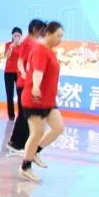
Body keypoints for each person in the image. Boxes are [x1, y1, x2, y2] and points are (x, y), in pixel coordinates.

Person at [19, 22, 66, 183]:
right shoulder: (39, 50)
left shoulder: (51, 52)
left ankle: (35, 152)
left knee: (58, 127)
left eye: (62, 36)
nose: (60, 39)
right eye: (58, 36)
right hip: (35, 100)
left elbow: (50, 74)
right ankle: (25, 167)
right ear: (49, 34)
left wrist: (56, 89)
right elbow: (37, 71)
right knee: (37, 132)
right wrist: (36, 86)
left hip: (48, 99)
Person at [8, 19, 47, 154]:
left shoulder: (35, 43)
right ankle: (15, 142)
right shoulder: (27, 43)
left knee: (27, 115)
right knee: (24, 114)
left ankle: (23, 143)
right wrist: (25, 75)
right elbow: (20, 62)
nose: (44, 32)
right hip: (23, 84)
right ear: (35, 29)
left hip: (30, 84)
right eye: (42, 29)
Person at [3, 27, 24, 121]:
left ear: (21, 36)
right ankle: (11, 115)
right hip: (8, 72)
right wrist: (11, 47)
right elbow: (7, 57)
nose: (16, 37)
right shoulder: (8, 44)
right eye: (15, 35)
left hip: (19, 73)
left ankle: (21, 114)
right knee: (9, 94)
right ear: (12, 36)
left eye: (18, 36)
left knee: (20, 95)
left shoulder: (23, 46)